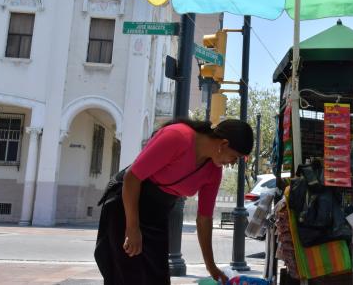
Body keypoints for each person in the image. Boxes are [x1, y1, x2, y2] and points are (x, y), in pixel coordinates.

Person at [94, 118, 254, 285]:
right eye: (234, 157)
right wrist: (132, 228)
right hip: (126, 206)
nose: (232, 163)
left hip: (157, 215)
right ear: (223, 144)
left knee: (157, 277)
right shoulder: (178, 137)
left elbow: (204, 218)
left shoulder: (213, 171)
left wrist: (211, 266)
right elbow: (132, 178)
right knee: (127, 276)